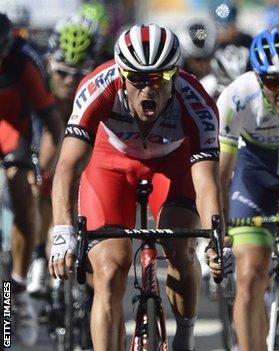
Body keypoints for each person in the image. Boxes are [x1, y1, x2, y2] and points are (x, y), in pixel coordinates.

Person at [48, 23, 223, 351]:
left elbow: (207, 184)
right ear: (121, 75)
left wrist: (215, 241)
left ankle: (185, 339)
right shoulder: (97, 87)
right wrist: (62, 229)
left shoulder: (196, 102)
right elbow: (67, 168)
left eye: (158, 78)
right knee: (110, 269)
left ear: (174, 75)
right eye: (137, 79)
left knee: (181, 248)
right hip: (110, 164)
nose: (148, 89)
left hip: (171, 165)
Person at [217, 27, 279, 351]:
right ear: (257, 78)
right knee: (251, 273)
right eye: (273, 82)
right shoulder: (236, 96)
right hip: (255, 176)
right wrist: (219, 228)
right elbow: (222, 171)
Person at [27, 14, 102, 296]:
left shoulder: (102, 81)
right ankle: (36, 255)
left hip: (86, 143)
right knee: (39, 183)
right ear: (50, 65)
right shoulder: (39, 77)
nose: (70, 81)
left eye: (79, 74)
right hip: (48, 136)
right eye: (62, 73)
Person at [0, 12, 63, 346]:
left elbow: (53, 125)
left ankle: (18, 290)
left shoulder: (25, 62)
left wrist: (45, 170)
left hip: (13, 130)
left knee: (23, 191)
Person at [176, 16, 218, 80]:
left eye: (207, 58)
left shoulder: (220, 75)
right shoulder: (176, 81)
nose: (204, 66)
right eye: (198, 59)